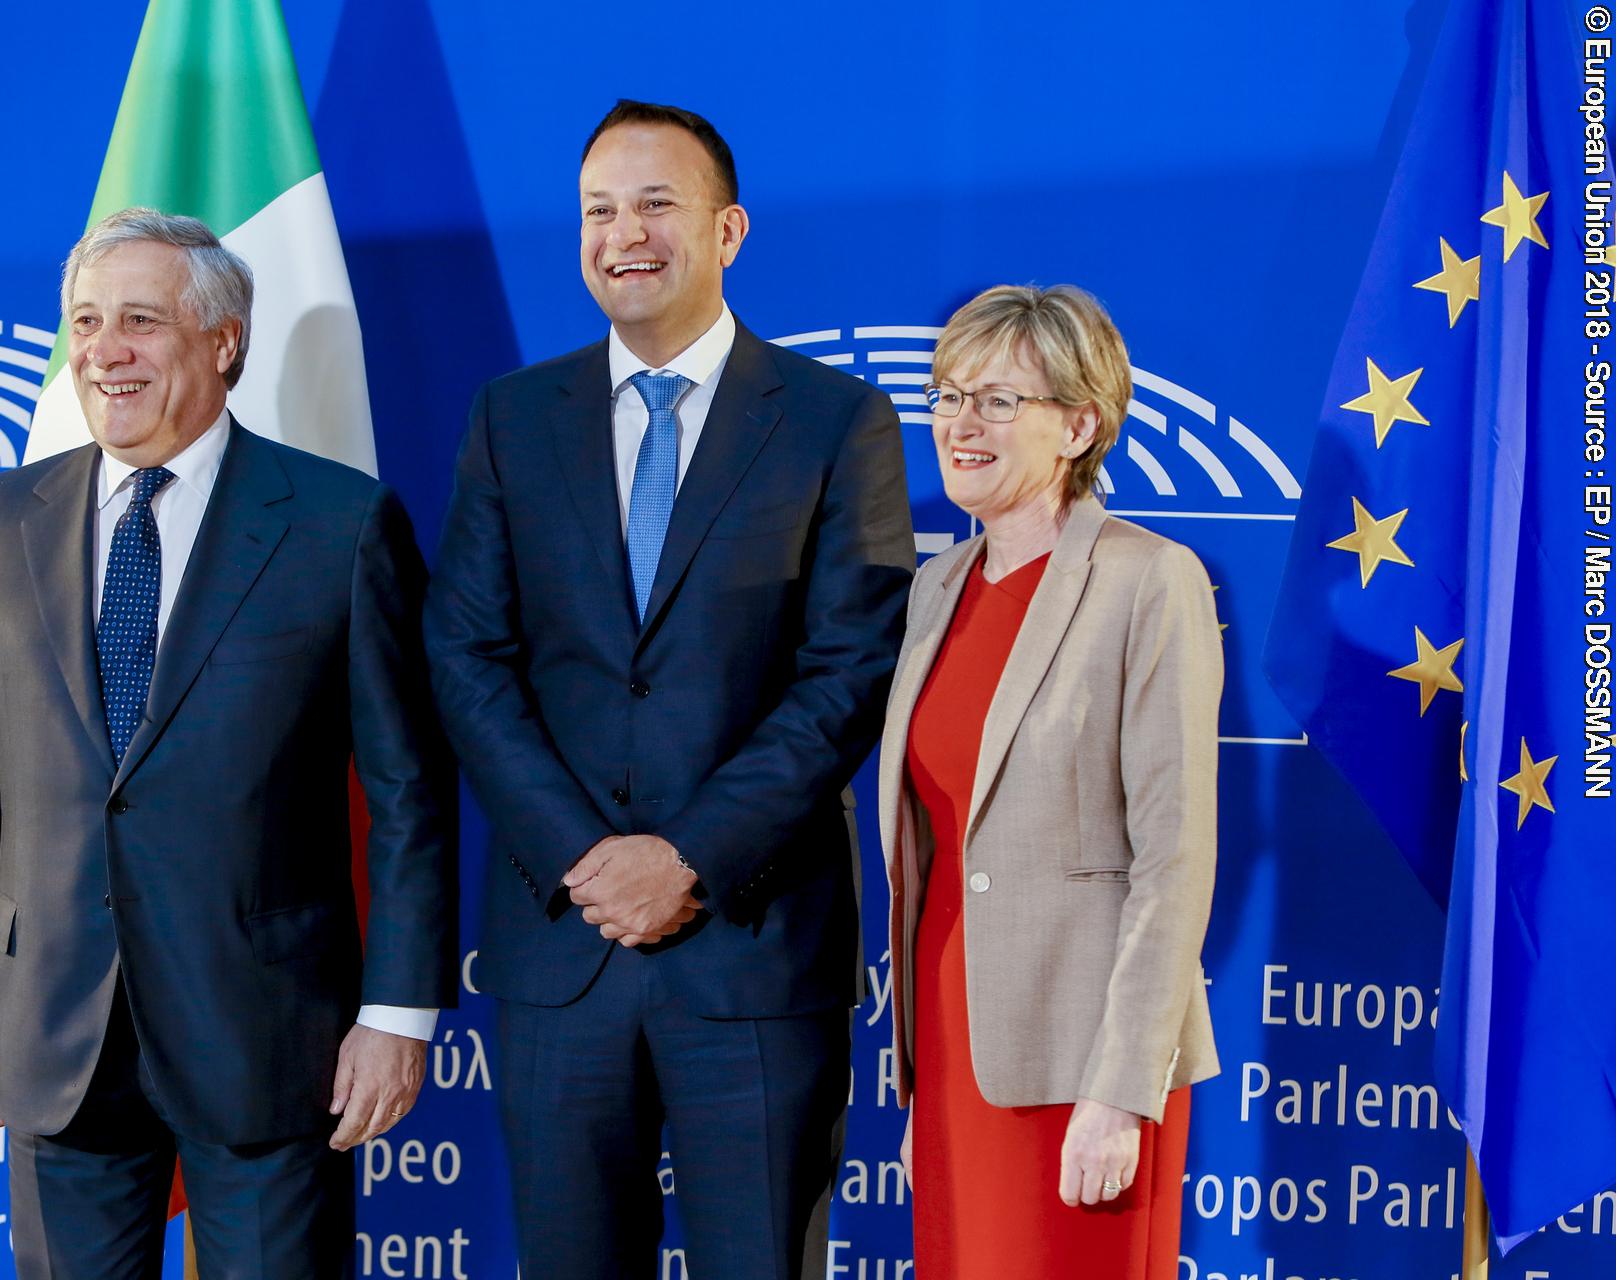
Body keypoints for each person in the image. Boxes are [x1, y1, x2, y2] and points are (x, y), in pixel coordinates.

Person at [424, 100, 913, 1278]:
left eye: (656, 204)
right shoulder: (511, 418)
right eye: (599, 209)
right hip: (564, 945)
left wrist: (686, 854)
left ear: (728, 228)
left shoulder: (838, 421)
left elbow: (848, 672)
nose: (623, 233)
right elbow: (467, 656)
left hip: (752, 945)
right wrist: (588, 856)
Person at [0, 207, 456, 1278]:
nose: (103, 352)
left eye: (139, 321)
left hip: (267, 1036)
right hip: (55, 1030)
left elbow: (409, 790)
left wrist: (398, 1011)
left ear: (223, 342)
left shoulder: (338, 523)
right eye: (84, 321)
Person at [879, 284, 1221, 1278]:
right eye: (948, 395)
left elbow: (1175, 856)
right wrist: (920, 1091)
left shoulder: (1150, 580)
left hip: (1089, 1066)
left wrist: (1120, 1089)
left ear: (1080, 423)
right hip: (953, 1053)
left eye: (997, 401)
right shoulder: (936, 589)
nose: (960, 424)